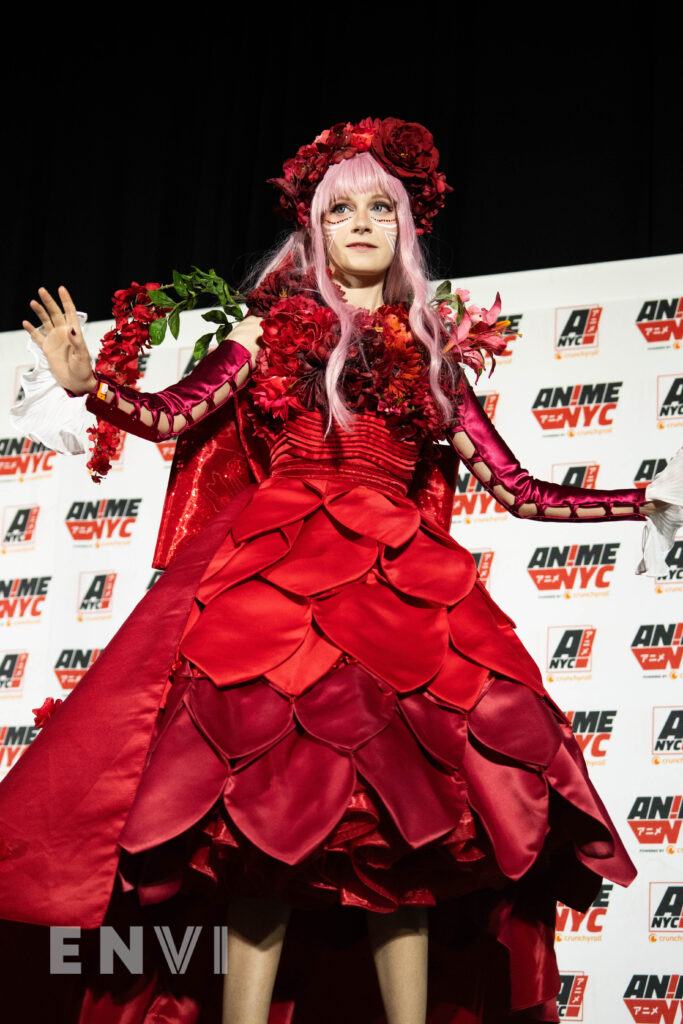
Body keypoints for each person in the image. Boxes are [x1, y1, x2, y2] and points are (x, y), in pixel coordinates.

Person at [0, 117, 679, 1024]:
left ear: (403, 229)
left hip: (403, 595)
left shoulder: (436, 357)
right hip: (273, 592)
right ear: (312, 231)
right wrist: (95, 388)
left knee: (407, 827)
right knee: (253, 818)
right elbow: (174, 415)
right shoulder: (264, 328)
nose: (359, 223)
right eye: (339, 210)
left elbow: (517, 489)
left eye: (378, 209)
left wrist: (636, 503)